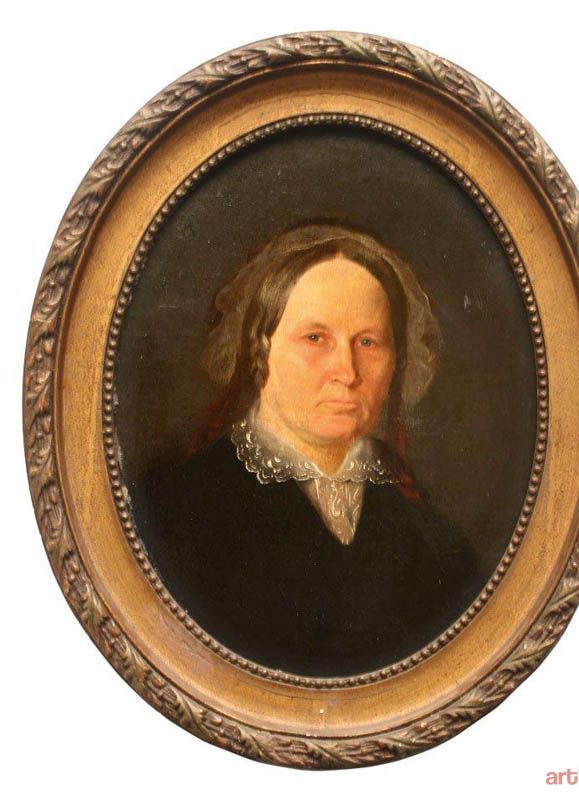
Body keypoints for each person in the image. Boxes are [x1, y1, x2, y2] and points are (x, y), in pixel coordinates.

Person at [132, 224, 482, 677]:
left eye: (368, 342)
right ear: (261, 350)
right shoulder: (172, 511)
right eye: (316, 338)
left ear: (396, 361)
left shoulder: (435, 543)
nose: (347, 371)